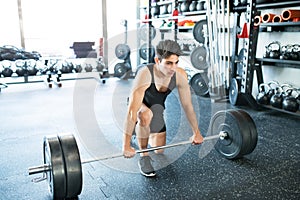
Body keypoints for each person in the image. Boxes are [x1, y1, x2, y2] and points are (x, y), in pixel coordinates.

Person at [122, 39, 204, 177]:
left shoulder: (180, 75)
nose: (173, 68)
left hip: (157, 108)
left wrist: (196, 132)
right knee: (145, 115)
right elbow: (132, 112)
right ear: (157, 60)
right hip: (139, 105)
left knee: (159, 149)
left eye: (176, 62)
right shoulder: (145, 74)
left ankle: (140, 134)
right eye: (168, 63)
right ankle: (144, 157)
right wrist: (125, 145)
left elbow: (187, 105)